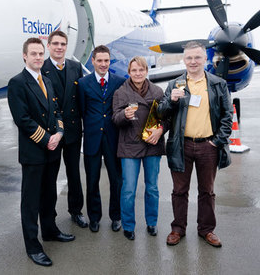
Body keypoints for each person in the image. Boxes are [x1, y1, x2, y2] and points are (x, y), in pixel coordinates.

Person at [158, 41, 233, 248]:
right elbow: (161, 112)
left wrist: (216, 142)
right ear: (184, 60)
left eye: (197, 57)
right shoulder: (175, 85)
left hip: (208, 146)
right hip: (181, 145)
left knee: (207, 191)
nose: (193, 61)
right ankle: (177, 229)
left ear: (205, 59)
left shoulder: (218, 84)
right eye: (189, 58)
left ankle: (206, 230)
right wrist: (171, 101)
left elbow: (227, 116)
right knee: (179, 190)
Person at [7, 37, 75, 267]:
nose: (38, 57)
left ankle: (50, 230)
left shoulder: (46, 80)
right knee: (31, 200)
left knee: (49, 194)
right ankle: (33, 246)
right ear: (24, 56)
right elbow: (22, 119)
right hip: (34, 152)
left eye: (40, 54)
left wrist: (59, 134)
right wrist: (47, 139)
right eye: (33, 54)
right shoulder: (17, 82)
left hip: (52, 149)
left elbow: (56, 110)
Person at [112, 56, 167, 240]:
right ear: (129, 72)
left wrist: (160, 131)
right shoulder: (121, 92)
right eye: (134, 70)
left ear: (146, 71)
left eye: (141, 70)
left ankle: (152, 222)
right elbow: (115, 119)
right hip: (129, 146)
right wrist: (124, 115)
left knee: (152, 187)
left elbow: (166, 118)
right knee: (128, 188)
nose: (138, 73)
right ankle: (128, 225)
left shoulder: (158, 91)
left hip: (152, 144)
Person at [41, 30, 87, 228]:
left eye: (63, 44)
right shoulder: (41, 68)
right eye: (55, 44)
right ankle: (48, 215)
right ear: (48, 46)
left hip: (73, 130)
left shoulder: (75, 67)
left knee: (74, 173)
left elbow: (81, 96)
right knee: (50, 176)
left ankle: (76, 211)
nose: (59, 47)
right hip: (51, 133)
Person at [77, 45, 126, 233]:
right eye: (100, 61)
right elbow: (82, 110)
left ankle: (116, 216)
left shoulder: (119, 82)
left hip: (113, 138)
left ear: (109, 61)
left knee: (116, 180)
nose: (103, 64)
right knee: (92, 180)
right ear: (93, 62)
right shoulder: (83, 83)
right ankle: (94, 217)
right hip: (92, 138)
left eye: (106, 61)